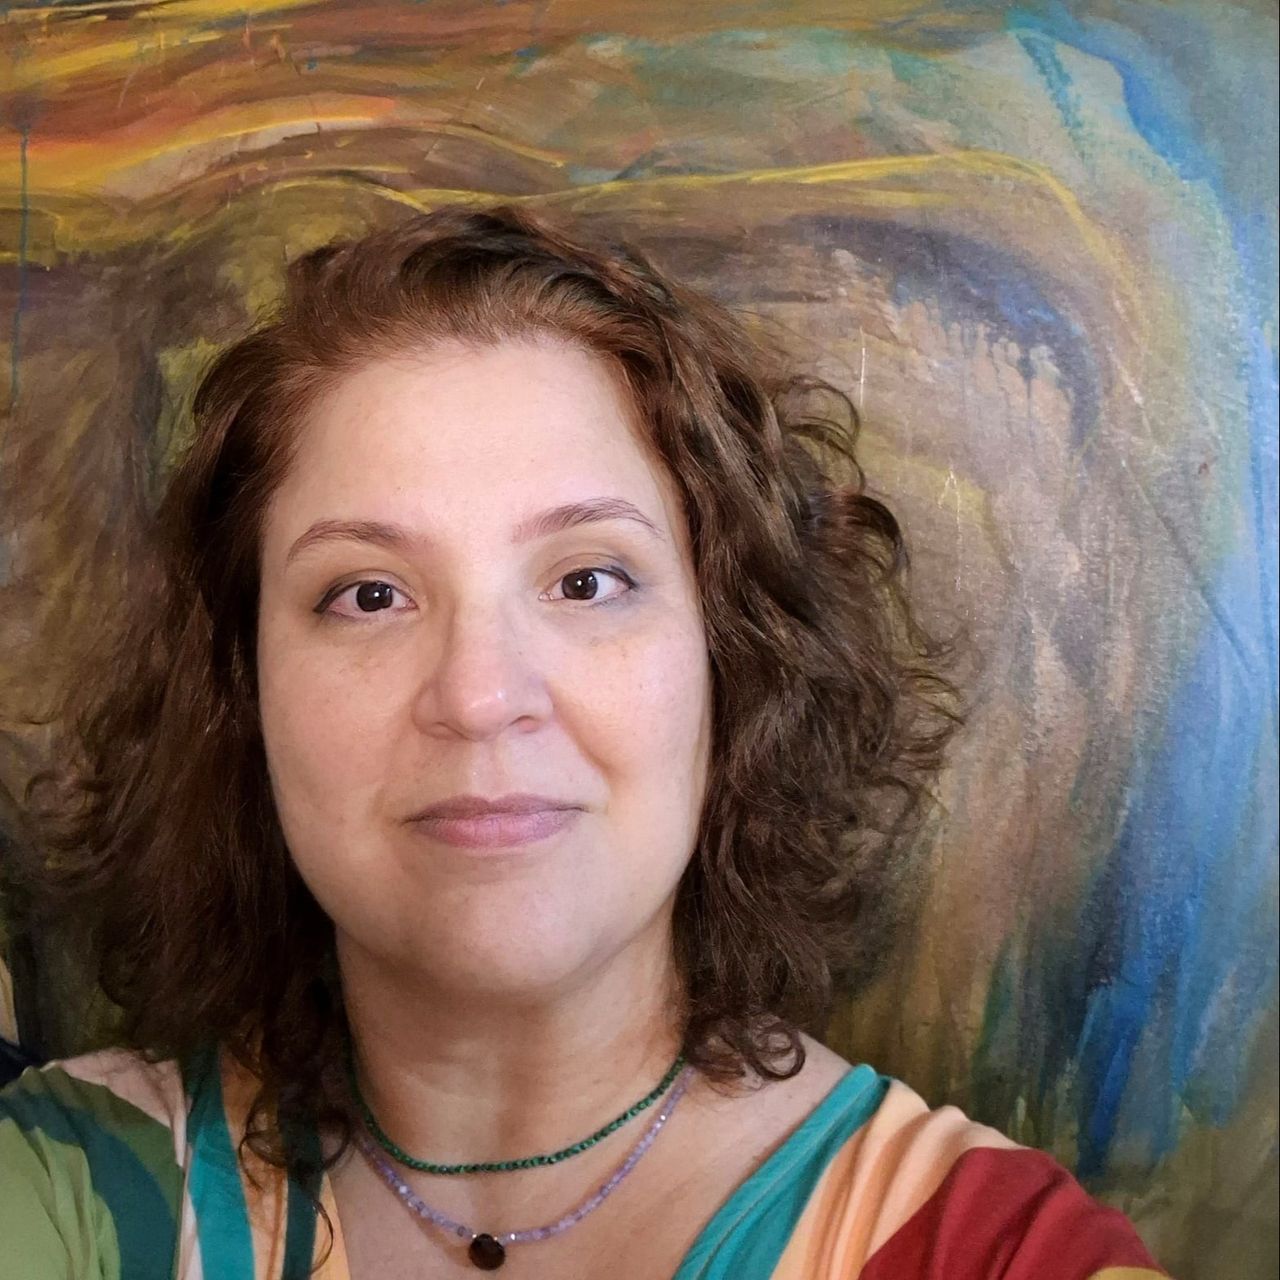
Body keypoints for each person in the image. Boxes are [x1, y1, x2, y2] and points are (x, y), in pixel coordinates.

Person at [0, 204, 1167, 1279]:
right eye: (368, 593)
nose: (479, 694)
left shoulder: (988, 1248)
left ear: (729, 662)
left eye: (587, 579)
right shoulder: (68, 1184)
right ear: (243, 688)